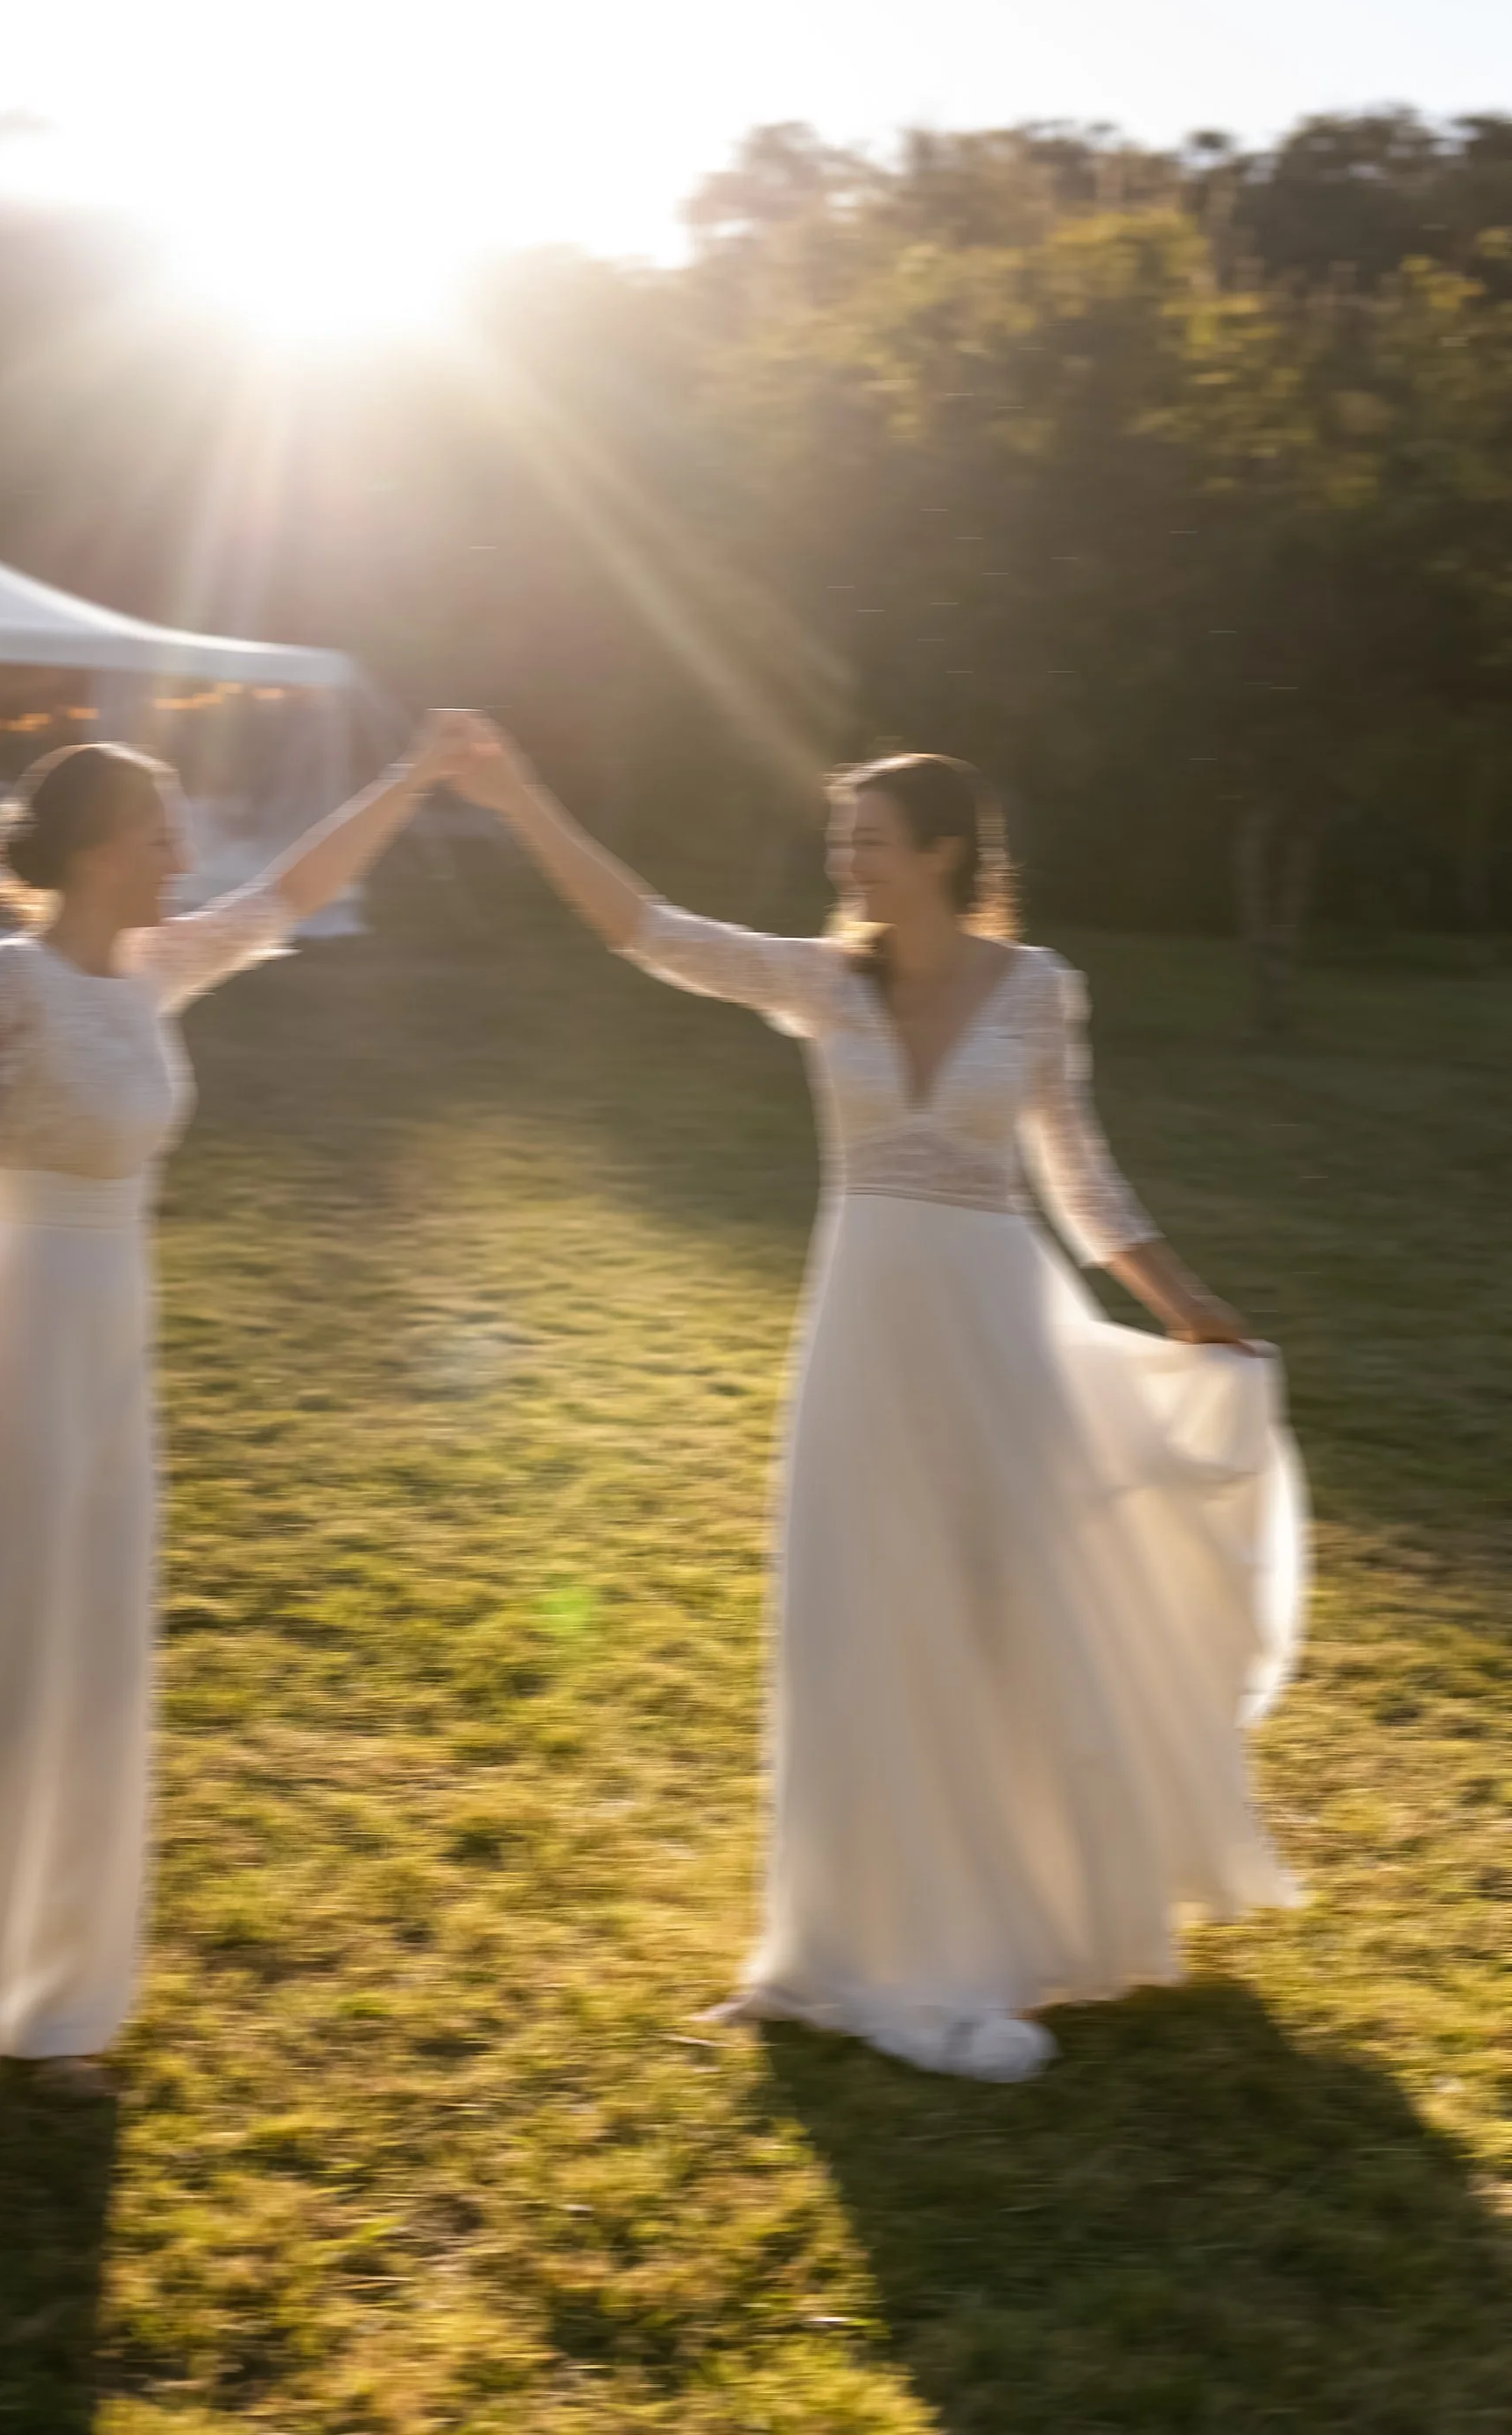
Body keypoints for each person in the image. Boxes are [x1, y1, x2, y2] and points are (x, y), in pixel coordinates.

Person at [450, 721, 1306, 2081]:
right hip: (861, 1333)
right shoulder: (817, 983)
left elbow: (1079, 1178)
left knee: (993, 1610)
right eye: (838, 838)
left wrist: (1184, 1302)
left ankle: (1000, 1919)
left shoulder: (1037, 990)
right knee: (852, 1613)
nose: (843, 858)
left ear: (942, 854)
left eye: (866, 838)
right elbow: (647, 928)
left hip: (995, 1331)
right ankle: (827, 1945)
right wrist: (517, 793)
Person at [0, 715, 462, 2104]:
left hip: (114, 1353)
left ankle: (56, 2009)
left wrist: (417, 773)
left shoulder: (153, 971)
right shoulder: (2, 984)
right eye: (160, 830)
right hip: (10, 1344)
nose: (183, 852)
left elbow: (296, 892)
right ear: (94, 849)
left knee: (92, 1671)